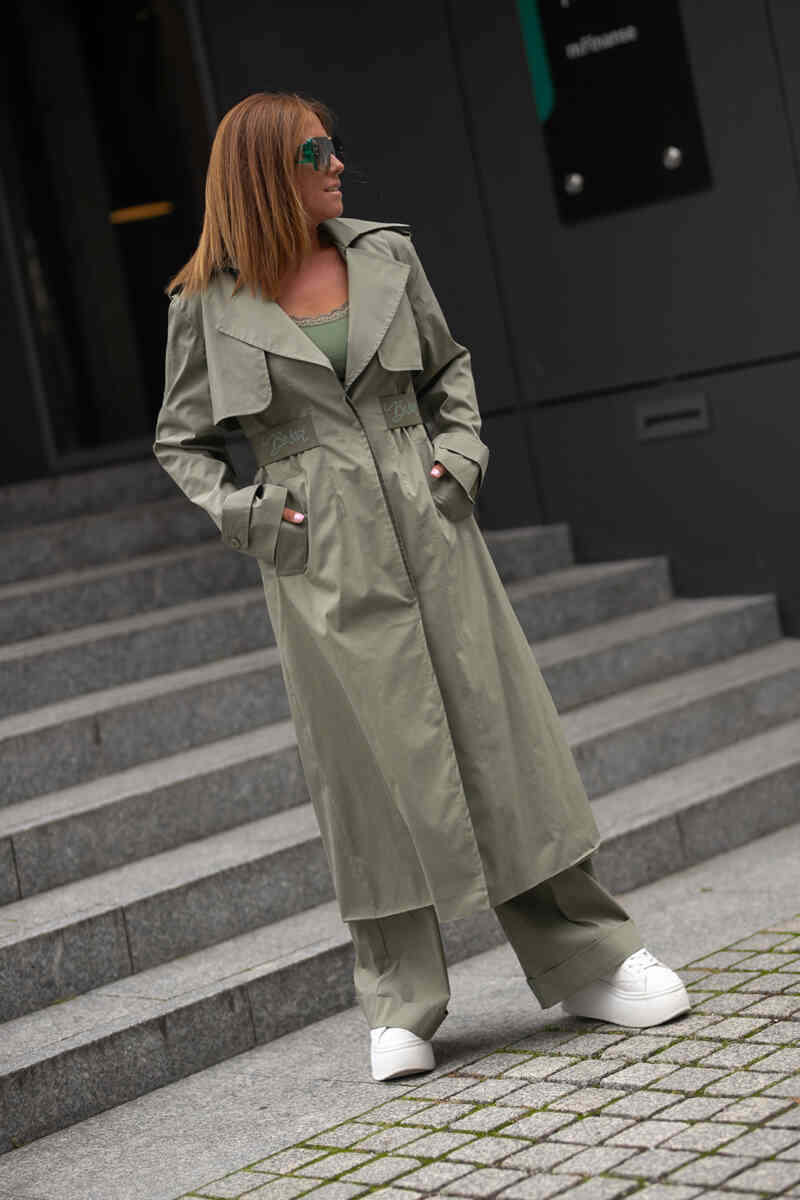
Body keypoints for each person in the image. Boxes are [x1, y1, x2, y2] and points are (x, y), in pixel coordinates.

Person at [153, 90, 690, 1084]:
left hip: (431, 527)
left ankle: (588, 958)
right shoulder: (206, 304)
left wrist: (461, 457)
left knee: (501, 737)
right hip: (322, 554)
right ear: (266, 171)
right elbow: (181, 442)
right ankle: (399, 1000)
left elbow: (450, 371)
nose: (337, 163)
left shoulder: (385, 256)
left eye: (335, 145)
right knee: (364, 773)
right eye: (315, 151)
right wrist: (252, 515)